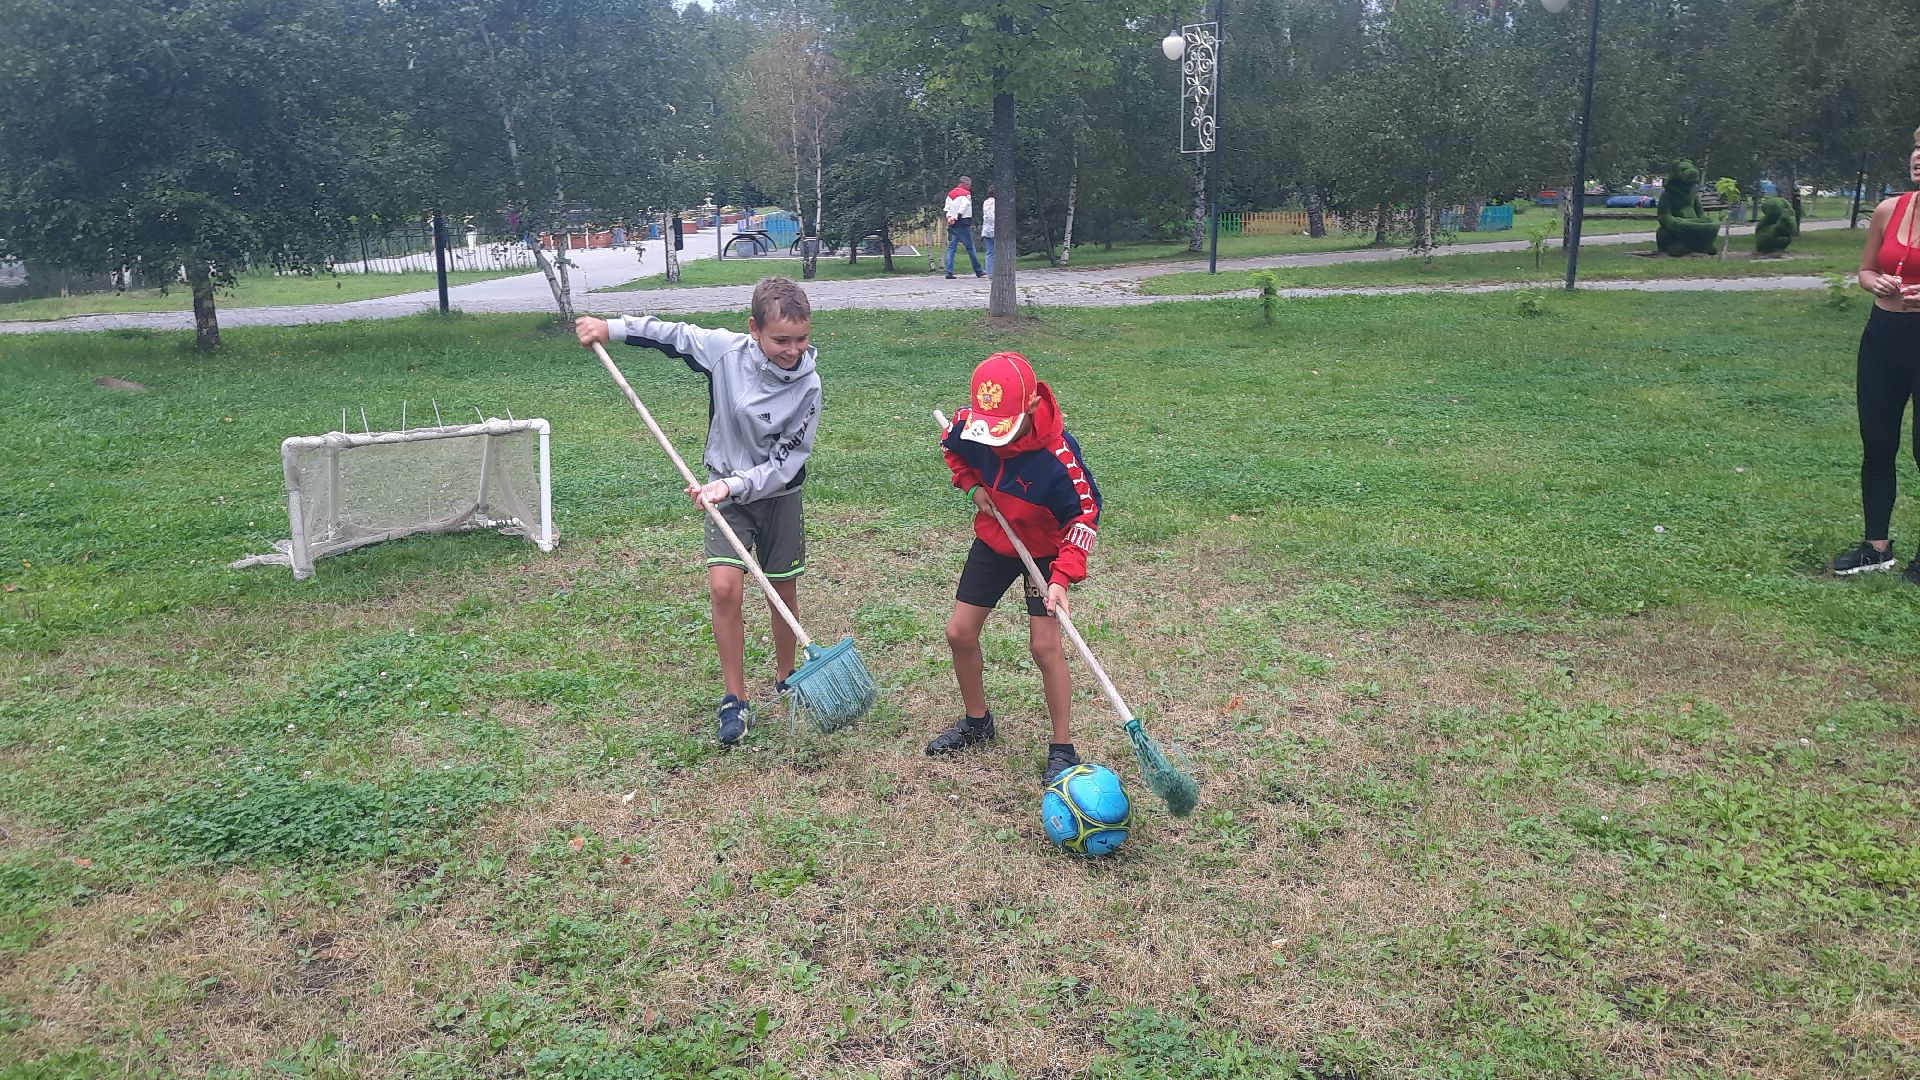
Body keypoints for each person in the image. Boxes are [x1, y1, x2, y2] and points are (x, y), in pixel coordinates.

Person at [574, 277, 821, 745]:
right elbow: (672, 334)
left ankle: (788, 677)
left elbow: (788, 459)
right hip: (724, 494)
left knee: (781, 590)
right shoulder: (725, 353)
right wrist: (611, 328)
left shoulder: (809, 383)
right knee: (725, 589)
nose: (793, 350)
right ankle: (735, 699)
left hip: (778, 495)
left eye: (801, 339)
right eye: (781, 340)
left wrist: (733, 484)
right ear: (754, 329)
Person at [927, 351, 1102, 783]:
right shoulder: (976, 426)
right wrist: (971, 486)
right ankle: (977, 722)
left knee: (1044, 647)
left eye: (1002, 431)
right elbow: (953, 448)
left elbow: (1084, 516)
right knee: (959, 632)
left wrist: (1061, 578)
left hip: (1042, 552)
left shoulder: (1060, 459)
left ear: (1028, 407)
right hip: (995, 538)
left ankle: (1062, 747)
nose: (995, 441)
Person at [1831, 126, 1920, 581]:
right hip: (1883, 336)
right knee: (1878, 443)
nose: (1919, 156)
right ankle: (1876, 546)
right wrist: (1876, 283)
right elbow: (1865, 270)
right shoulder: (1890, 208)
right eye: (1917, 146)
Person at [944, 175, 985, 280]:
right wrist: (958, 215)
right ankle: (978, 271)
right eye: (969, 185)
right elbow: (964, 205)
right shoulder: (966, 194)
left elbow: (947, 208)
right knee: (970, 247)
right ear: (965, 184)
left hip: (953, 223)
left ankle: (949, 271)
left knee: (952, 248)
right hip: (963, 223)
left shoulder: (950, 194)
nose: (970, 187)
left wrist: (949, 217)